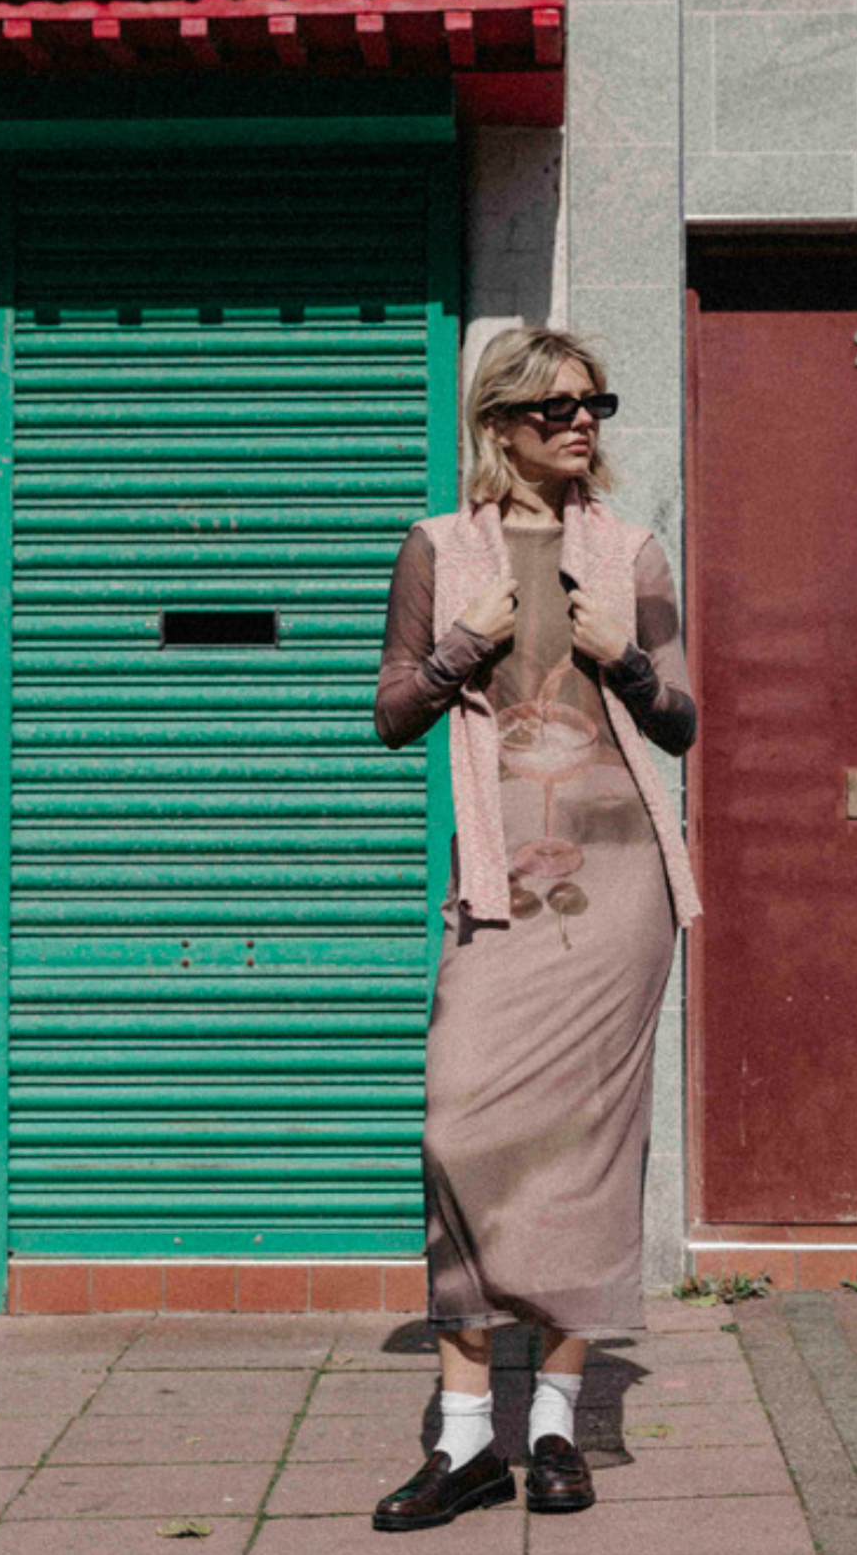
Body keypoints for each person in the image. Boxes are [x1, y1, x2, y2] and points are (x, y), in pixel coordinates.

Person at [370, 325, 701, 1532]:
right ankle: (464, 1438)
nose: (579, 424)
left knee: (586, 1147)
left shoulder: (629, 552)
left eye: (593, 404)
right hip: (502, 883)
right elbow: (392, 712)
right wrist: (470, 638)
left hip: (619, 891)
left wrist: (624, 660)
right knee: (460, 1128)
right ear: (498, 423)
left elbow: (682, 721)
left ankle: (553, 1426)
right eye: (554, 406)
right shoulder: (439, 549)